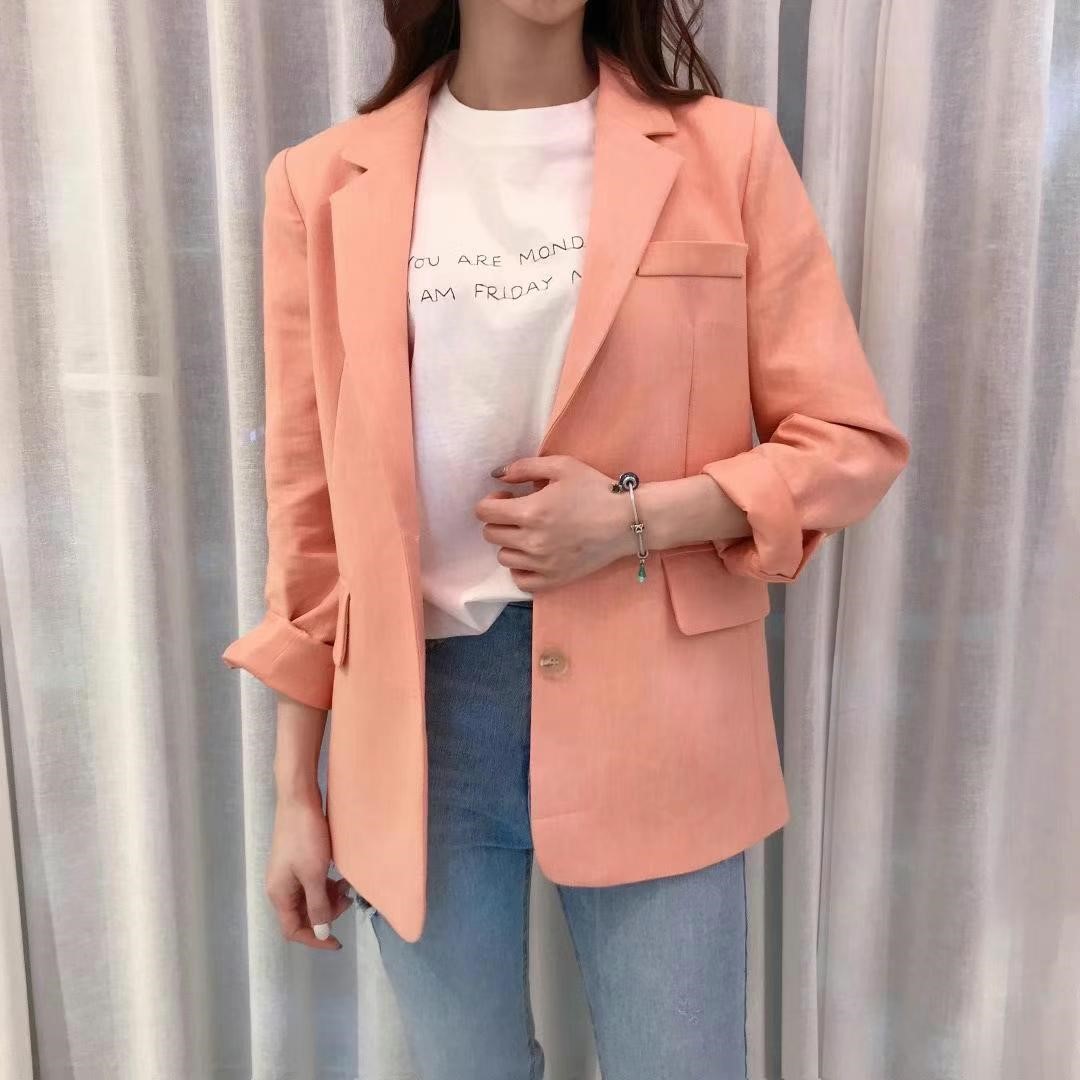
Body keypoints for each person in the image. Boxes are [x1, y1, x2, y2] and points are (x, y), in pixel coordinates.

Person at [222, 2, 911, 1077]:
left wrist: (634, 518)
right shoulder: (320, 183)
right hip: (417, 728)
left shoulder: (725, 152)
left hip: (663, 709)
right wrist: (293, 793)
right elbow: (310, 521)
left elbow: (847, 444)